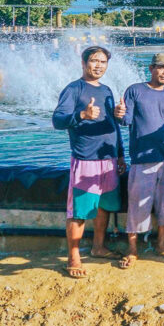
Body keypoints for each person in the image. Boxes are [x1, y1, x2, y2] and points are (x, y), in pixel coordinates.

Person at [51, 45, 127, 278]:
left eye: (103, 62)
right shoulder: (74, 89)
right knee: (79, 212)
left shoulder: (106, 90)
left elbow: (112, 126)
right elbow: (57, 120)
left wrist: (121, 153)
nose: (98, 65)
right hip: (86, 159)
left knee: (103, 205)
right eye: (94, 61)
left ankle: (98, 247)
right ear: (83, 63)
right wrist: (81, 115)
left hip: (109, 158)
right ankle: (73, 257)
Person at [118, 53, 164, 269]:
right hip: (141, 160)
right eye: (161, 67)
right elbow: (125, 120)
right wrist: (117, 113)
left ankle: (161, 244)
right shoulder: (135, 90)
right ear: (151, 68)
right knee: (137, 206)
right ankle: (133, 249)